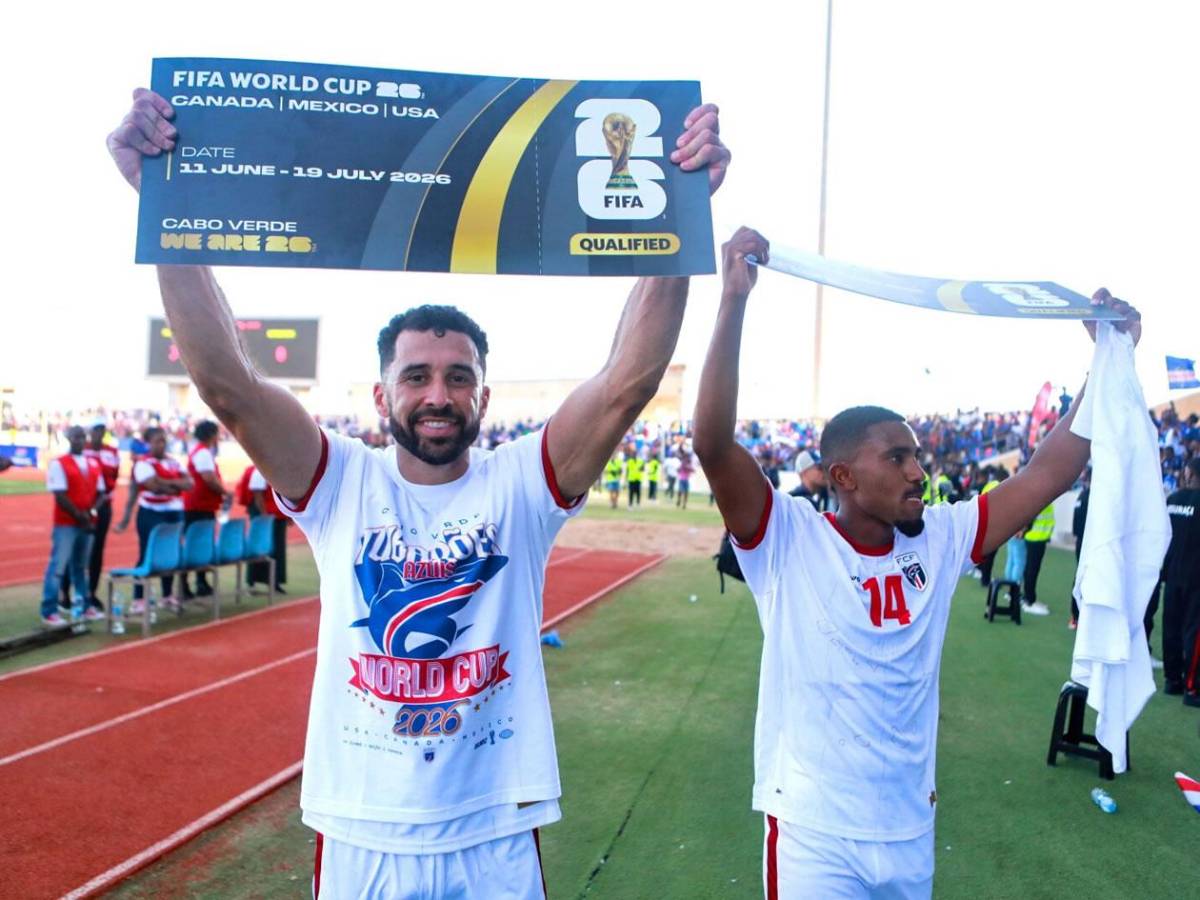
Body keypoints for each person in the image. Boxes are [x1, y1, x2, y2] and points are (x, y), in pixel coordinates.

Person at [109, 86, 729, 897]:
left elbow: (625, 383)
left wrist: (678, 211)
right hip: (363, 828)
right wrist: (164, 204)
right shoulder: (338, 483)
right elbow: (228, 382)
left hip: (493, 829)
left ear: (483, 397)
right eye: (417, 376)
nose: (437, 394)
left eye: (458, 377)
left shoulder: (519, 487)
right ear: (381, 397)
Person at [692, 226, 1141, 899]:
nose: (917, 471)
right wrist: (733, 301)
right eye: (897, 458)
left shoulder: (941, 536)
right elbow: (712, 441)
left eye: (918, 457)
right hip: (816, 835)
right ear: (842, 475)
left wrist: (1108, 359)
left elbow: (1052, 468)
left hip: (909, 831)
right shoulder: (788, 538)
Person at [115, 426, 192, 613]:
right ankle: (139, 598)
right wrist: (174, 485)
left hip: (174, 512)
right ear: (148, 443)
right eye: (157, 440)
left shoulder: (174, 462)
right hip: (151, 513)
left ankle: (167, 596)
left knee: (171, 554)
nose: (162, 444)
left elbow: (189, 484)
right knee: (146, 553)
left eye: (164, 440)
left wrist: (164, 482)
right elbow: (153, 486)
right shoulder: (142, 463)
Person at [40, 425, 107, 626]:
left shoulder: (93, 463)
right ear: (68, 438)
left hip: (87, 521)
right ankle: (49, 610)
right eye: (75, 436)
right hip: (67, 523)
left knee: (80, 567)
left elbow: (101, 493)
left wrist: (91, 513)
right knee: (58, 566)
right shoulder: (59, 463)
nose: (79, 439)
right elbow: (60, 495)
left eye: (82, 436)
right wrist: (80, 516)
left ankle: (85, 605)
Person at [1164, 458, 1200, 705]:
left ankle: (1172, 680)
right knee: (1194, 632)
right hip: (1196, 577)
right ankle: (1192, 688)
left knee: (1172, 628)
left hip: (1172, 574)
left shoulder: (1173, 500)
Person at [182, 419, 231, 598]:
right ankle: (188, 584)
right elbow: (209, 478)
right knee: (195, 544)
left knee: (198, 544)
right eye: (217, 433)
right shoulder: (203, 453)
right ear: (211, 435)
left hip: (201, 504)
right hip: (198, 505)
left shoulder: (201, 452)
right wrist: (226, 492)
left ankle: (200, 582)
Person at [238, 463, 289, 593]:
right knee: (258, 548)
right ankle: (252, 582)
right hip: (265, 514)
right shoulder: (261, 468)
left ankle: (274, 581)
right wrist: (264, 515)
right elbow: (257, 494)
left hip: (276, 514)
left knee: (277, 549)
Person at [1022, 502, 1055, 615]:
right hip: (1036, 537)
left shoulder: (1043, 498)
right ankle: (1029, 601)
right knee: (1032, 570)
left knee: (1030, 569)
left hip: (1036, 537)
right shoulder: (1041, 499)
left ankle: (1028, 598)